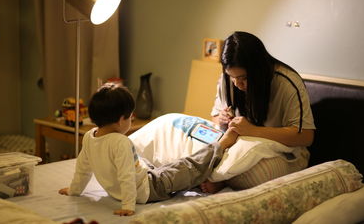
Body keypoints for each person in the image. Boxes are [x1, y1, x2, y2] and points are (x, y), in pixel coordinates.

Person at [59, 83, 238, 216]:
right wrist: (128, 206)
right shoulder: (120, 142)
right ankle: (220, 146)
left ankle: (202, 180)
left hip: (122, 188)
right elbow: (126, 176)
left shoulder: (90, 137)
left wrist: (74, 189)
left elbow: (82, 169)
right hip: (148, 189)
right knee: (186, 166)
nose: (131, 121)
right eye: (130, 117)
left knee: (168, 167)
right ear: (121, 120)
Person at [201, 31, 316, 193]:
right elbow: (214, 116)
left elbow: (306, 136)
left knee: (259, 173)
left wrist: (253, 131)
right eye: (232, 77)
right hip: (237, 147)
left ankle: (222, 179)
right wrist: (221, 120)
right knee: (190, 137)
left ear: (259, 70)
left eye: (244, 78)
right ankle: (223, 176)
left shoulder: (286, 82)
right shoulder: (228, 79)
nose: (237, 84)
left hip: (283, 154)